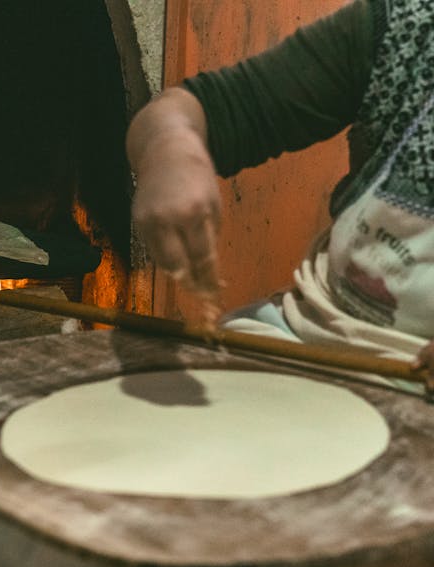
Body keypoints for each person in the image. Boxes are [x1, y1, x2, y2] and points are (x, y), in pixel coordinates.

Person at [126, 0, 434, 392]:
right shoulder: (407, 26)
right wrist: (171, 151)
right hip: (306, 338)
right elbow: (194, 109)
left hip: (416, 385)